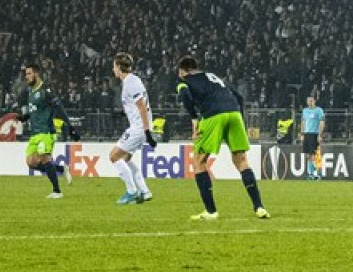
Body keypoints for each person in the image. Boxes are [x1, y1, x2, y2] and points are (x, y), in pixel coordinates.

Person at [176, 55, 269, 220]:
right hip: (234, 113)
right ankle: (259, 207)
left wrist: (194, 119)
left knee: (199, 161)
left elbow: (184, 95)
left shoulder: (186, 81)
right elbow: (239, 97)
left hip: (213, 115)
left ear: (184, 70)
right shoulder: (215, 77)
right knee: (241, 161)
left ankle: (211, 211)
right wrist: (239, 119)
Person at [18, 63, 77, 199]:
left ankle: (57, 191)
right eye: (26, 74)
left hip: (46, 131)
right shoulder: (31, 91)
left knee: (45, 158)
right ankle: (62, 169)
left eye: (29, 74)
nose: (26, 77)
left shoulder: (46, 91)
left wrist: (69, 126)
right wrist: (24, 117)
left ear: (36, 74)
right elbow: (36, 111)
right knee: (31, 162)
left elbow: (59, 108)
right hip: (35, 132)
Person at [108, 52, 156, 205]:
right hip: (139, 126)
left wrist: (147, 131)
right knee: (126, 159)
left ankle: (131, 191)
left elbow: (142, 107)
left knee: (114, 156)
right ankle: (144, 191)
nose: (113, 70)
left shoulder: (131, 82)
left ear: (119, 67)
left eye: (114, 66)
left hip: (139, 127)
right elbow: (135, 106)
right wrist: (122, 113)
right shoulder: (131, 81)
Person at [301, 94, 326, 180]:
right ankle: (311, 173)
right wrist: (302, 134)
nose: (309, 102)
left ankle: (317, 173)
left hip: (314, 134)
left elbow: (322, 122)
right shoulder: (305, 111)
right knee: (308, 155)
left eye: (311, 100)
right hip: (307, 134)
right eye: (308, 101)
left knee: (314, 154)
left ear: (314, 101)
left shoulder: (319, 110)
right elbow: (303, 122)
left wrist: (320, 134)